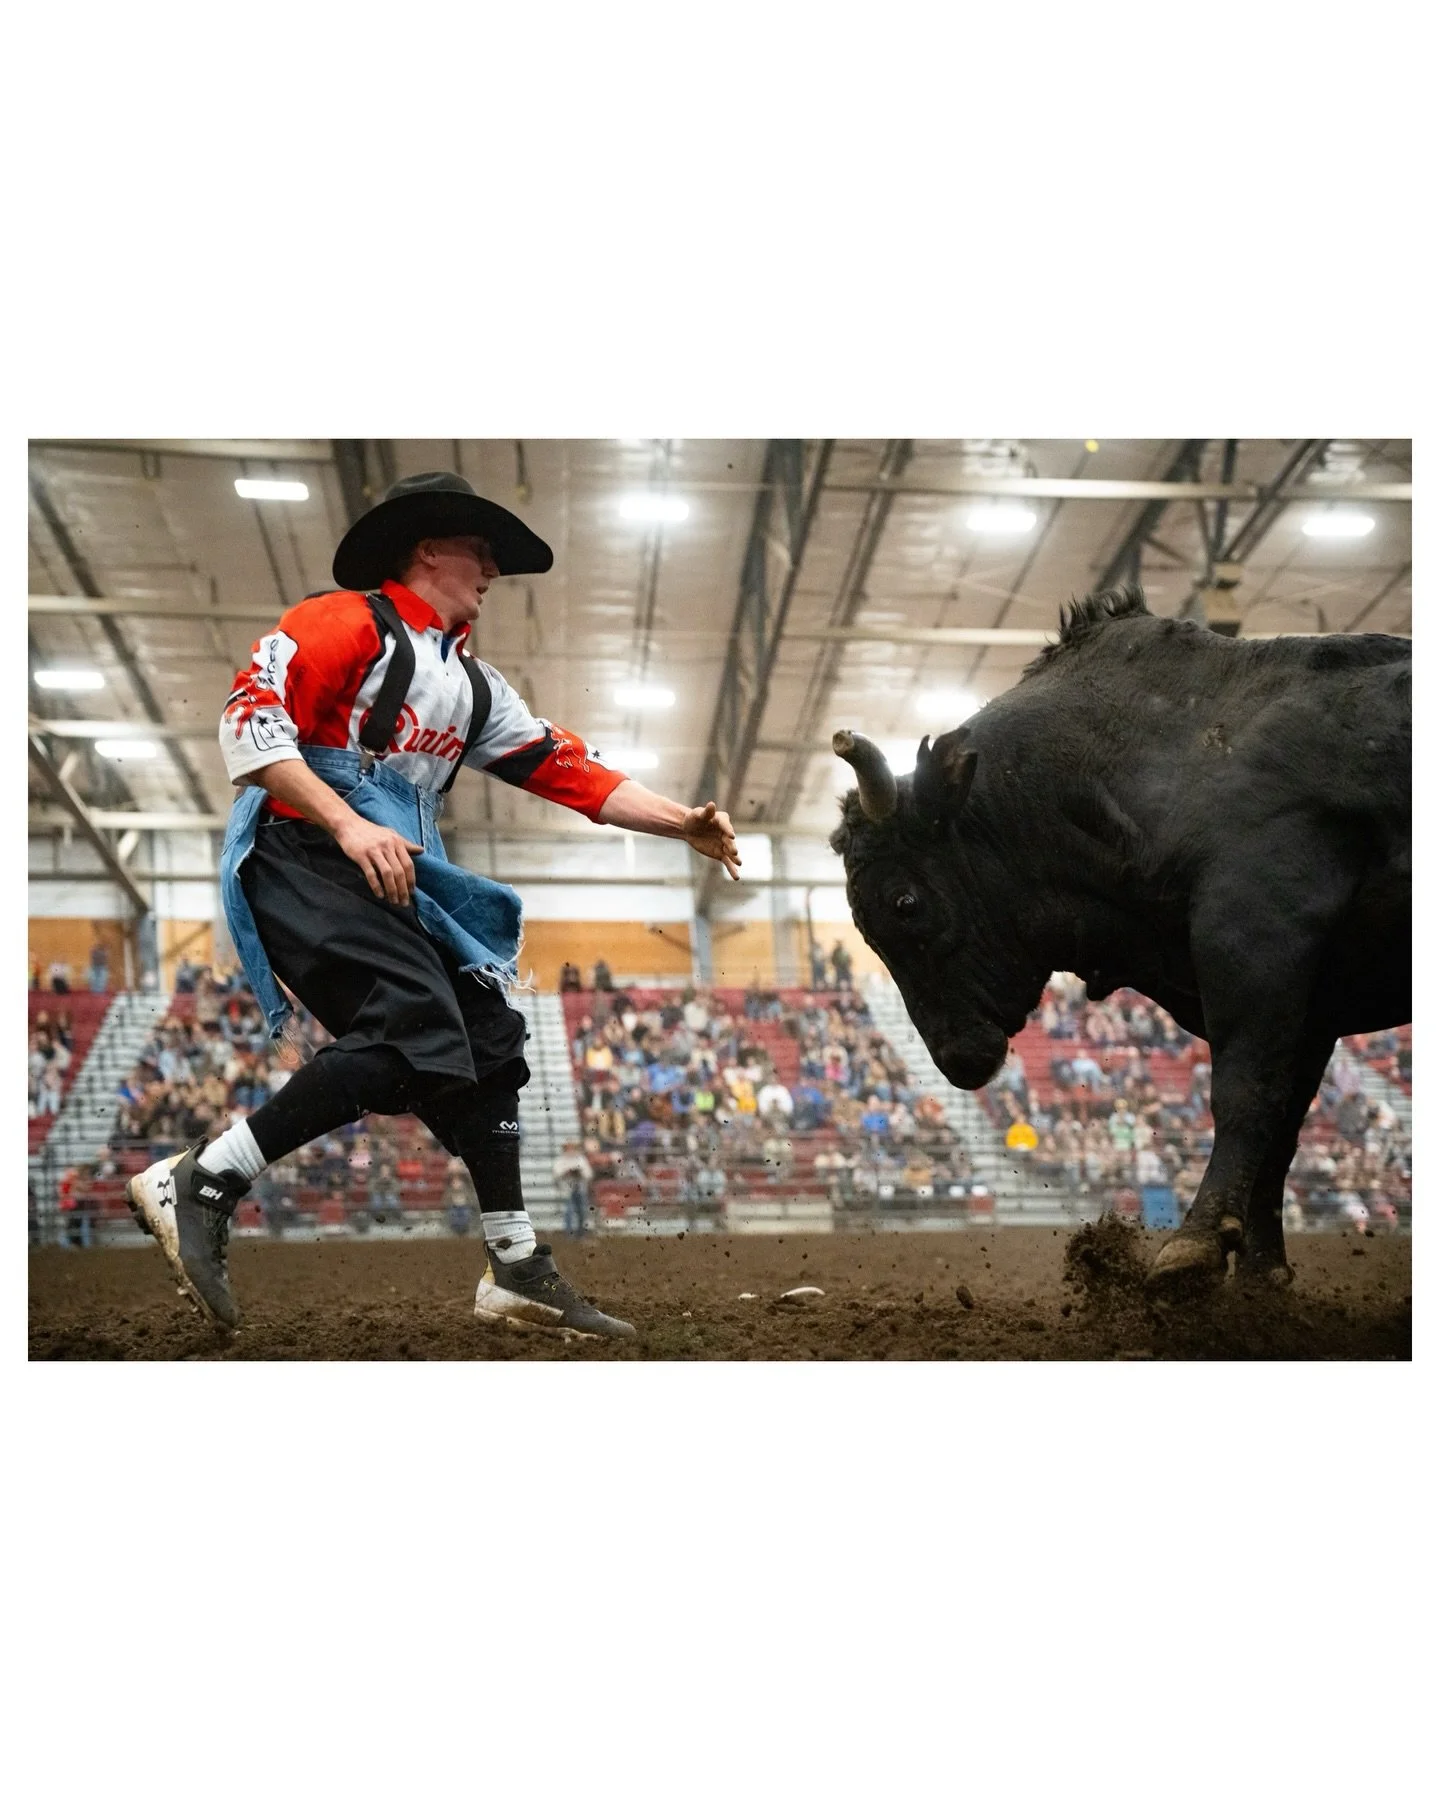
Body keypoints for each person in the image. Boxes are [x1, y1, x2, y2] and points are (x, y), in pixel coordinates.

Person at [125, 470, 740, 1337]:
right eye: (481, 551)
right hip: (303, 847)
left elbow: (565, 769)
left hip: (396, 864)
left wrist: (681, 822)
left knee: (489, 1040)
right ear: (428, 550)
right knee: (415, 1022)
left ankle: (518, 1267)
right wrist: (347, 824)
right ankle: (205, 1177)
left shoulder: (474, 684)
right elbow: (250, 730)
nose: (493, 569)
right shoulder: (338, 620)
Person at [553, 1139, 594, 1237]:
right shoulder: (560, 1160)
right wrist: (567, 1173)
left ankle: (581, 1232)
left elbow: (588, 1174)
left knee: (582, 1212)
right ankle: (569, 1232)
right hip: (567, 1189)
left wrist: (579, 1173)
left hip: (580, 1188)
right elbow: (556, 1174)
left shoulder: (581, 1159)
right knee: (569, 1211)